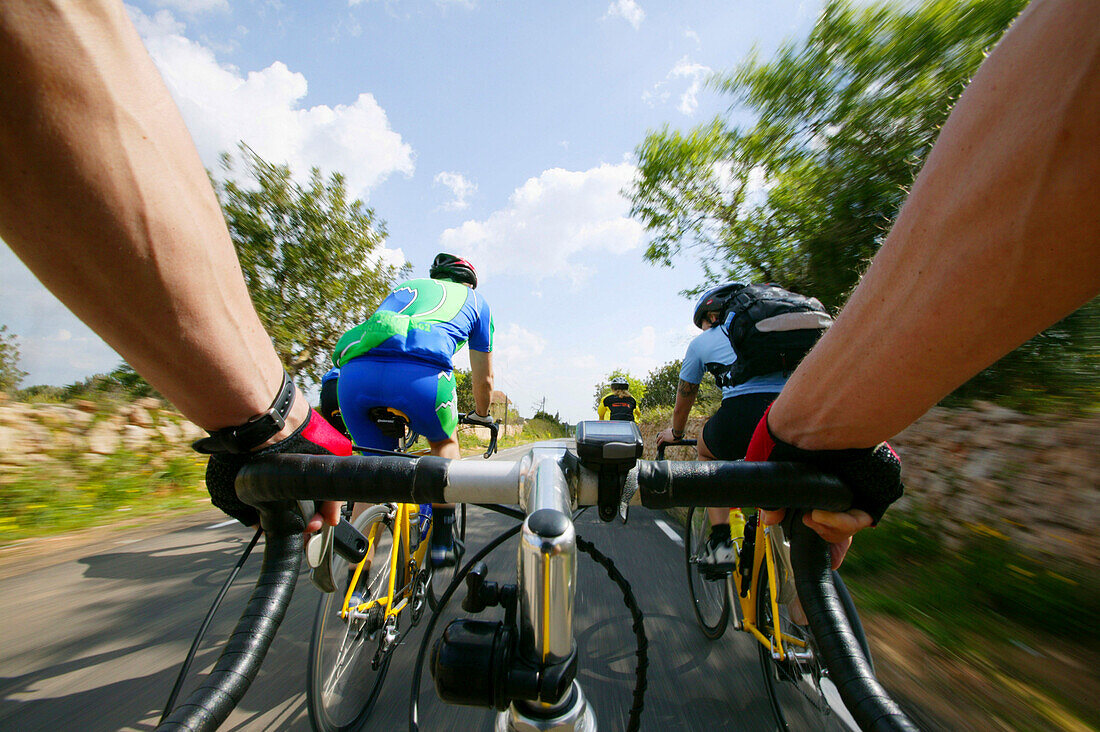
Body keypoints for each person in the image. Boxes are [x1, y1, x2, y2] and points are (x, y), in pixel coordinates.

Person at [743, 0, 1100, 570]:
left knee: (715, 452)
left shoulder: (713, 341)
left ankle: (716, 540)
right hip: (804, 409)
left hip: (781, 422)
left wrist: (809, 422)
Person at [0, 0, 351, 534]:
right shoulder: (471, 306)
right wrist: (274, 420)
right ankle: (442, 527)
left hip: (353, 387)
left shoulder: (385, 322)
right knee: (442, 447)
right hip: (378, 401)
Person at [332, 253, 495, 566]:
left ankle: (356, 577)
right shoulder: (478, 302)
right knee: (444, 443)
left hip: (354, 376)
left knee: (373, 471)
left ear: (436, 277)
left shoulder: (407, 286)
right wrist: (482, 414)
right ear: (469, 282)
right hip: (422, 378)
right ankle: (443, 542)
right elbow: (483, 379)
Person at [655, 284, 789, 569]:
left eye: (703, 323)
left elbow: (685, 397)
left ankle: (721, 543)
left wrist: (676, 434)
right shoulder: (776, 327)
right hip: (798, 413)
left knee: (707, 452)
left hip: (744, 416)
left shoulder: (704, 342)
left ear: (711, 316)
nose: (704, 330)